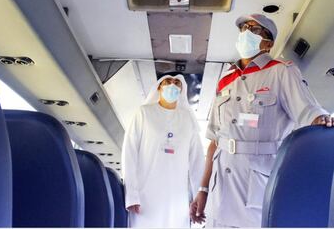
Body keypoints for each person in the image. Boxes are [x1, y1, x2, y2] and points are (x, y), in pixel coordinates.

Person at [189, 13, 334, 227]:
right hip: (219, 191)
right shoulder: (225, 79)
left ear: (268, 43)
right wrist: (202, 189)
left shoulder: (281, 71)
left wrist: (322, 119)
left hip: (255, 188)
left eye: (254, 30)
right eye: (243, 29)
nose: (246, 33)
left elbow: (308, 111)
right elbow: (214, 141)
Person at [122, 74, 205, 228]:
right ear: (159, 87)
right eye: (167, 82)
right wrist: (132, 195)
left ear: (181, 90)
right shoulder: (144, 113)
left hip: (177, 200)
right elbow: (129, 153)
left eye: (177, 83)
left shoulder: (187, 119)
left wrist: (198, 198)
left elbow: (197, 161)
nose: (172, 85)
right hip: (145, 198)